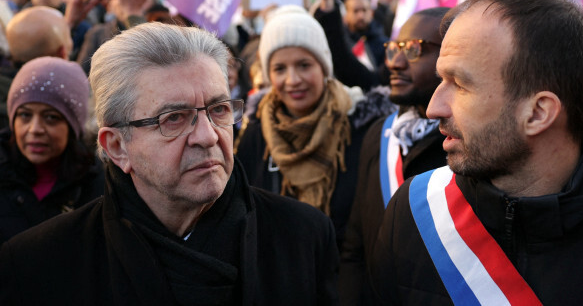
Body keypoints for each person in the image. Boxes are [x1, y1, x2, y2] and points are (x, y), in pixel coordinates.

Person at [0, 22, 339, 305]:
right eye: (174, 118)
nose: (207, 136)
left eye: (219, 110)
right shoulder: (39, 264)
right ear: (117, 146)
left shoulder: (304, 237)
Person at [370, 0, 583, 305]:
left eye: (460, 84)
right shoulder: (414, 212)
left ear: (538, 113)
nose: (433, 108)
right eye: (442, 79)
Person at [235, 5, 393, 249]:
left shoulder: (363, 128)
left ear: (323, 66)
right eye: (279, 68)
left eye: (304, 65)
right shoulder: (255, 132)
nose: (293, 80)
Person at [339, 8, 449, 305]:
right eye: (394, 48)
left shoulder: (469, 142)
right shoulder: (380, 134)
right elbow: (355, 243)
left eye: (413, 50)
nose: (394, 63)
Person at [0, 56, 103, 243]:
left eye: (51, 117)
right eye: (25, 115)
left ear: (73, 126)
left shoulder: (95, 184)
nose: (35, 129)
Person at [312, 0, 385, 91]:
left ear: (371, 13)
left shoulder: (384, 43)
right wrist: (327, 1)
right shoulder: (341, 40)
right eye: (356, 11)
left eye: (364, 10)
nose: (361, 16)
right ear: (345, 14)